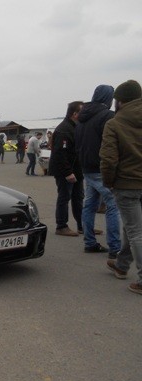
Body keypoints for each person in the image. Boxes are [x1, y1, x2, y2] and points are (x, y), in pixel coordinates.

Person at [100, 79, 142, 295]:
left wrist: (109, 182)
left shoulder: (115, 123)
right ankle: (122, 264)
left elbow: (108, 159)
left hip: (127, 184)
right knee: (132, 227)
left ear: (121, 101)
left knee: (135, 231)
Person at [75, 84, 120, 257]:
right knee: (112, 206)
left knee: (89, 205)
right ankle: (115, 247)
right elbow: (111, 143)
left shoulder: (82, 117)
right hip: (101, 167)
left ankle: (89, 242)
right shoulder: (108, 116)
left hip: (86, 166)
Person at [49, 101, 84, 236]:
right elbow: (60, 153)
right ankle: (61, 226)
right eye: (82, 112)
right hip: (65, 171)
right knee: (64, 197)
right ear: (75, 114)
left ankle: (82, 225)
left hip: (76, 169)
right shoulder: (64, 129)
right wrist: (68, 172)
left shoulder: (76, 127)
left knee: (78, 197)